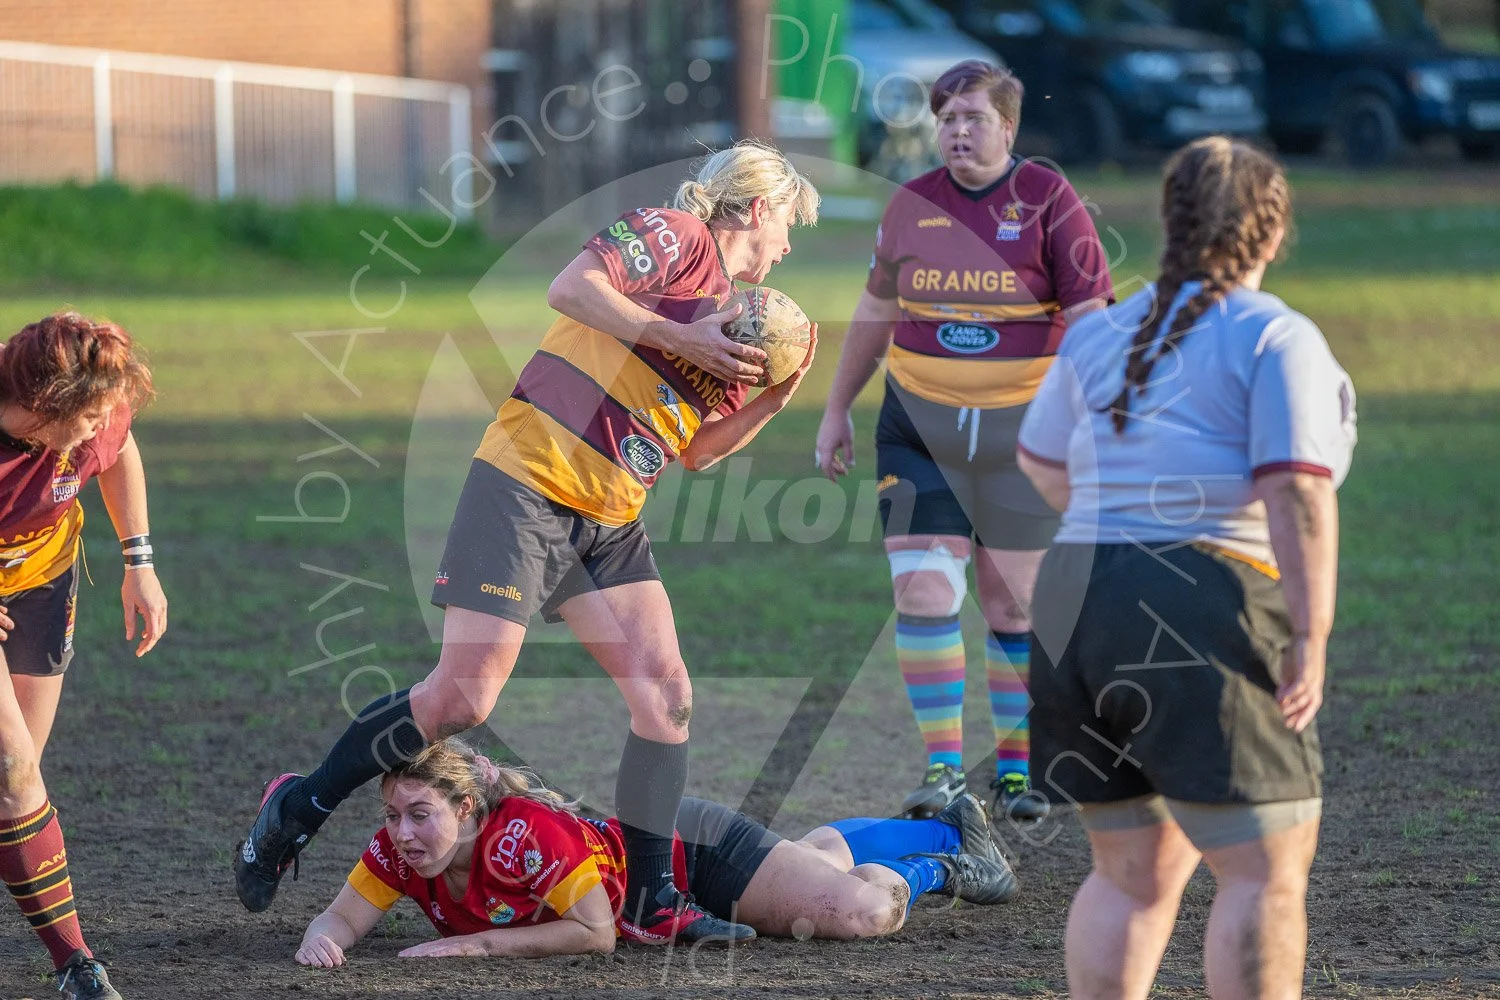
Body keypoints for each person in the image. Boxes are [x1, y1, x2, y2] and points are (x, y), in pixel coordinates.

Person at [236, 140, 821, 943]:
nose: (790, 244)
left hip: (609, 517)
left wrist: (775, 398)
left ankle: (651, 904)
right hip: (526, 483)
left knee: (666, 695)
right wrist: (680, 337)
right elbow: (570, 286)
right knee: (463, 698)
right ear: (758, 208)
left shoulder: (734, 316)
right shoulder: (677, 236)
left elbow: (699, 451)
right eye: (790, 221)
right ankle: (297, 807)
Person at [1017, 136, 1356, 1000]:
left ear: (1170, 224)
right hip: (1201, 595)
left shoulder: (1100, 332)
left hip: (1077, 594)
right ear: (1271, 234)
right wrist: (1311, 635)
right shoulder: (1276, 334)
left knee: (1129, 873)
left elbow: (1042, 465)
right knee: (1263, 870)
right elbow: (1297, 496)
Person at [814, 60, 1113, 823]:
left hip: (1022, 440)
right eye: (946, 118)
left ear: (1008, 128)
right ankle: (943, 772)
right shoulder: (911, 205)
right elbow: (876, 311)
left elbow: (1092, 326)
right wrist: (836, 407)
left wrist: (1099, 421)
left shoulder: (1049, 202)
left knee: (1013, 607)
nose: (957, 130)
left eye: (973, 117)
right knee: (924, 592)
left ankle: (1016, 773)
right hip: (919, 432)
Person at [294, 737, 1018, 965]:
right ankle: (944, 824)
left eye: (420, 814)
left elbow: (596, 934)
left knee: (860, 911)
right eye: (391, 815)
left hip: (687, 856)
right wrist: (320, 943)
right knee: (818, 870)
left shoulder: (521, 836)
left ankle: (950, 860)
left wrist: (473, 949)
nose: (402, 833)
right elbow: (340, 921)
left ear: (466, 806)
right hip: (662, 894)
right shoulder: (397, 852)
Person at [0, 312, 166, 1000]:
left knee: (15, 782)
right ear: (42, 410)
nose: (103, 426)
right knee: (11, 769)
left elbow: (119, 451)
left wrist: (139, 562)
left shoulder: (98, 415)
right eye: (90, 416)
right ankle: (77, 965)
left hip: (41, 577)